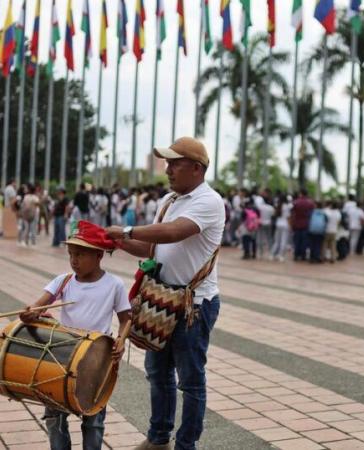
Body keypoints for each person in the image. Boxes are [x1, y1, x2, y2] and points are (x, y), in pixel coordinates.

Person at [106, 137, 225, 450]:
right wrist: (115, 241)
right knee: (157, 374)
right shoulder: (170, 201)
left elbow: (175, 232)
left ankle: (186, 445)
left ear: (197, 168)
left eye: (175, 163)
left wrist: (127, 231)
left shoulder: (208, 201)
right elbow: (154, 247)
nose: (168, 169)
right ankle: (159, 439)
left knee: (190, 381)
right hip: (161, 299)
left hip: (193, 305)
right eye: (167, 162)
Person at [20, 221, 131, 450]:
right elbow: (38, 305)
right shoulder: (64, 281)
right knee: (55, 417)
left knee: (94, 420)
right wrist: (29, 313)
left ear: (99, 255)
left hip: (97, 360)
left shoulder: (114, 285)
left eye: (80, 254)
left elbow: (126, 319)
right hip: (63, 356)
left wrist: (121, 339)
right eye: (71, 254)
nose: (73, 260)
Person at [290, 189, 315, 261]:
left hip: (297, 224)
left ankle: (296, 255)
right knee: (304, 241)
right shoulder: (310, 203)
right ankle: (303, 255)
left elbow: (292, 214)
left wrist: (292, 224)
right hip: (306, 224)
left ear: (301, 193)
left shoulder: (296, 202)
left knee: (297, 240)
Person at [270, 194, 292, 261]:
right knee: (283, 241)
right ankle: (281, 255)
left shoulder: (278, 206)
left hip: (278, 224)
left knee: (277, 241)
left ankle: (272, 254)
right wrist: (290, 226)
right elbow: (288, 217)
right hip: (285, 224)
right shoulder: (287, 207)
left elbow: (274, 215)